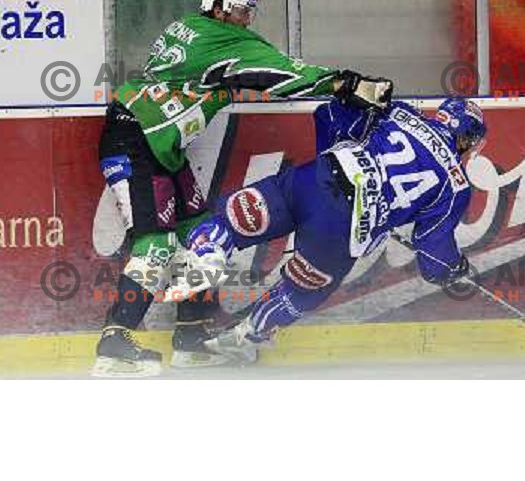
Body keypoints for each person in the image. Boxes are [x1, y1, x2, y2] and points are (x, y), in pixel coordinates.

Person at [93, 0, 393, 377]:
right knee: (157, 245)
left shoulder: (192, 28)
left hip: (156, 141)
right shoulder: (220, 39)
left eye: (249, 9)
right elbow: (280, 72)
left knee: (200, 233)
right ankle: (114, 342)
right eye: (240, 9)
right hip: (137, 139)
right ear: (218, 7)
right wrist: (346, 84)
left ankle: (191, 337)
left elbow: (254, 68)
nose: (247, 17)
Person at [186, 94, 487, 357]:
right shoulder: (456, 184)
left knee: (231, 222)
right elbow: (433, 257)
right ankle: (247, 336)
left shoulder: (400, 111)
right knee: (302, 292)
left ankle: (209, 252)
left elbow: (328, 114)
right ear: (466, 138)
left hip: (311, 180)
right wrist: (453, 269)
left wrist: (341, 157)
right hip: (340, 230)